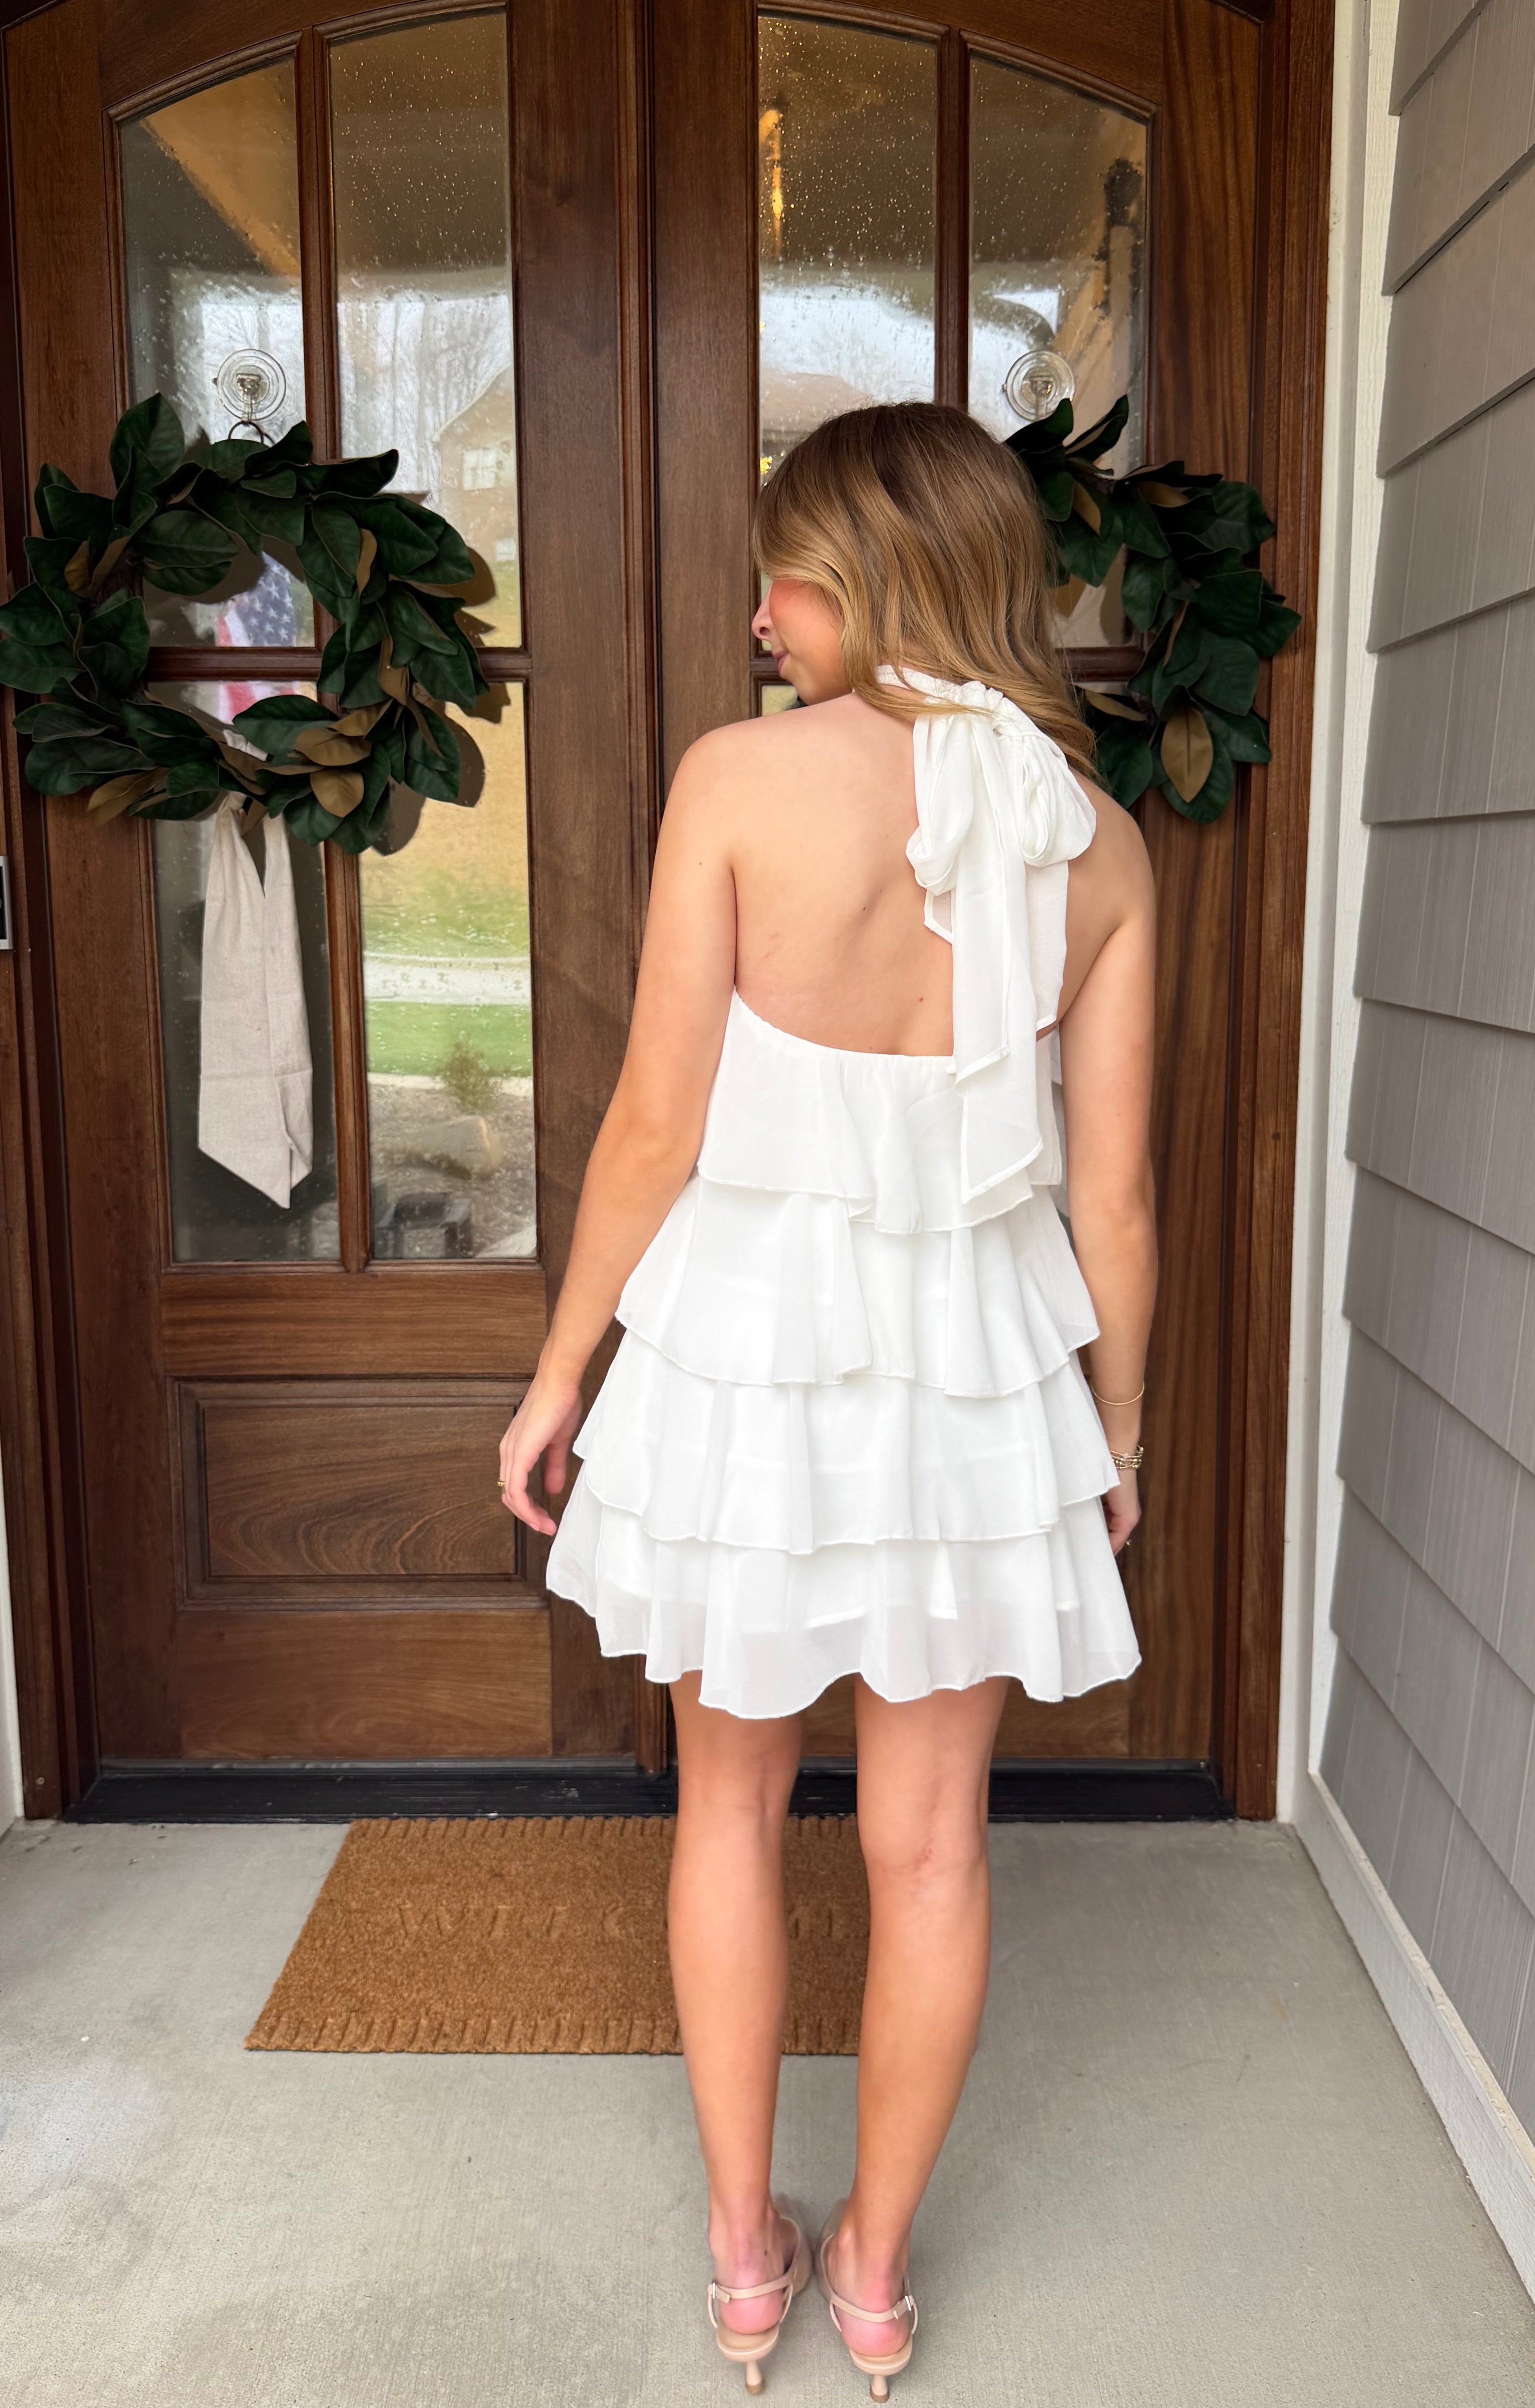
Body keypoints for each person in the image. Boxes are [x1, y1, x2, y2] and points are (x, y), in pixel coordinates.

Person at [497, 401, 1156, 2396]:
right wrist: (1111, 1438)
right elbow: (1112, 1190)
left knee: (726, 1803)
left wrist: (558, 1376)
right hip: (972, 1374)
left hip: (747, 1353)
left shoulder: (741, 782)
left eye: (782, 573)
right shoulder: (1100, 841)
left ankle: (740, 2254)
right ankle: (872, 2272)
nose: (762, 613)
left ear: (860, 579)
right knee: (935, 1845)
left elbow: (650, 1125)